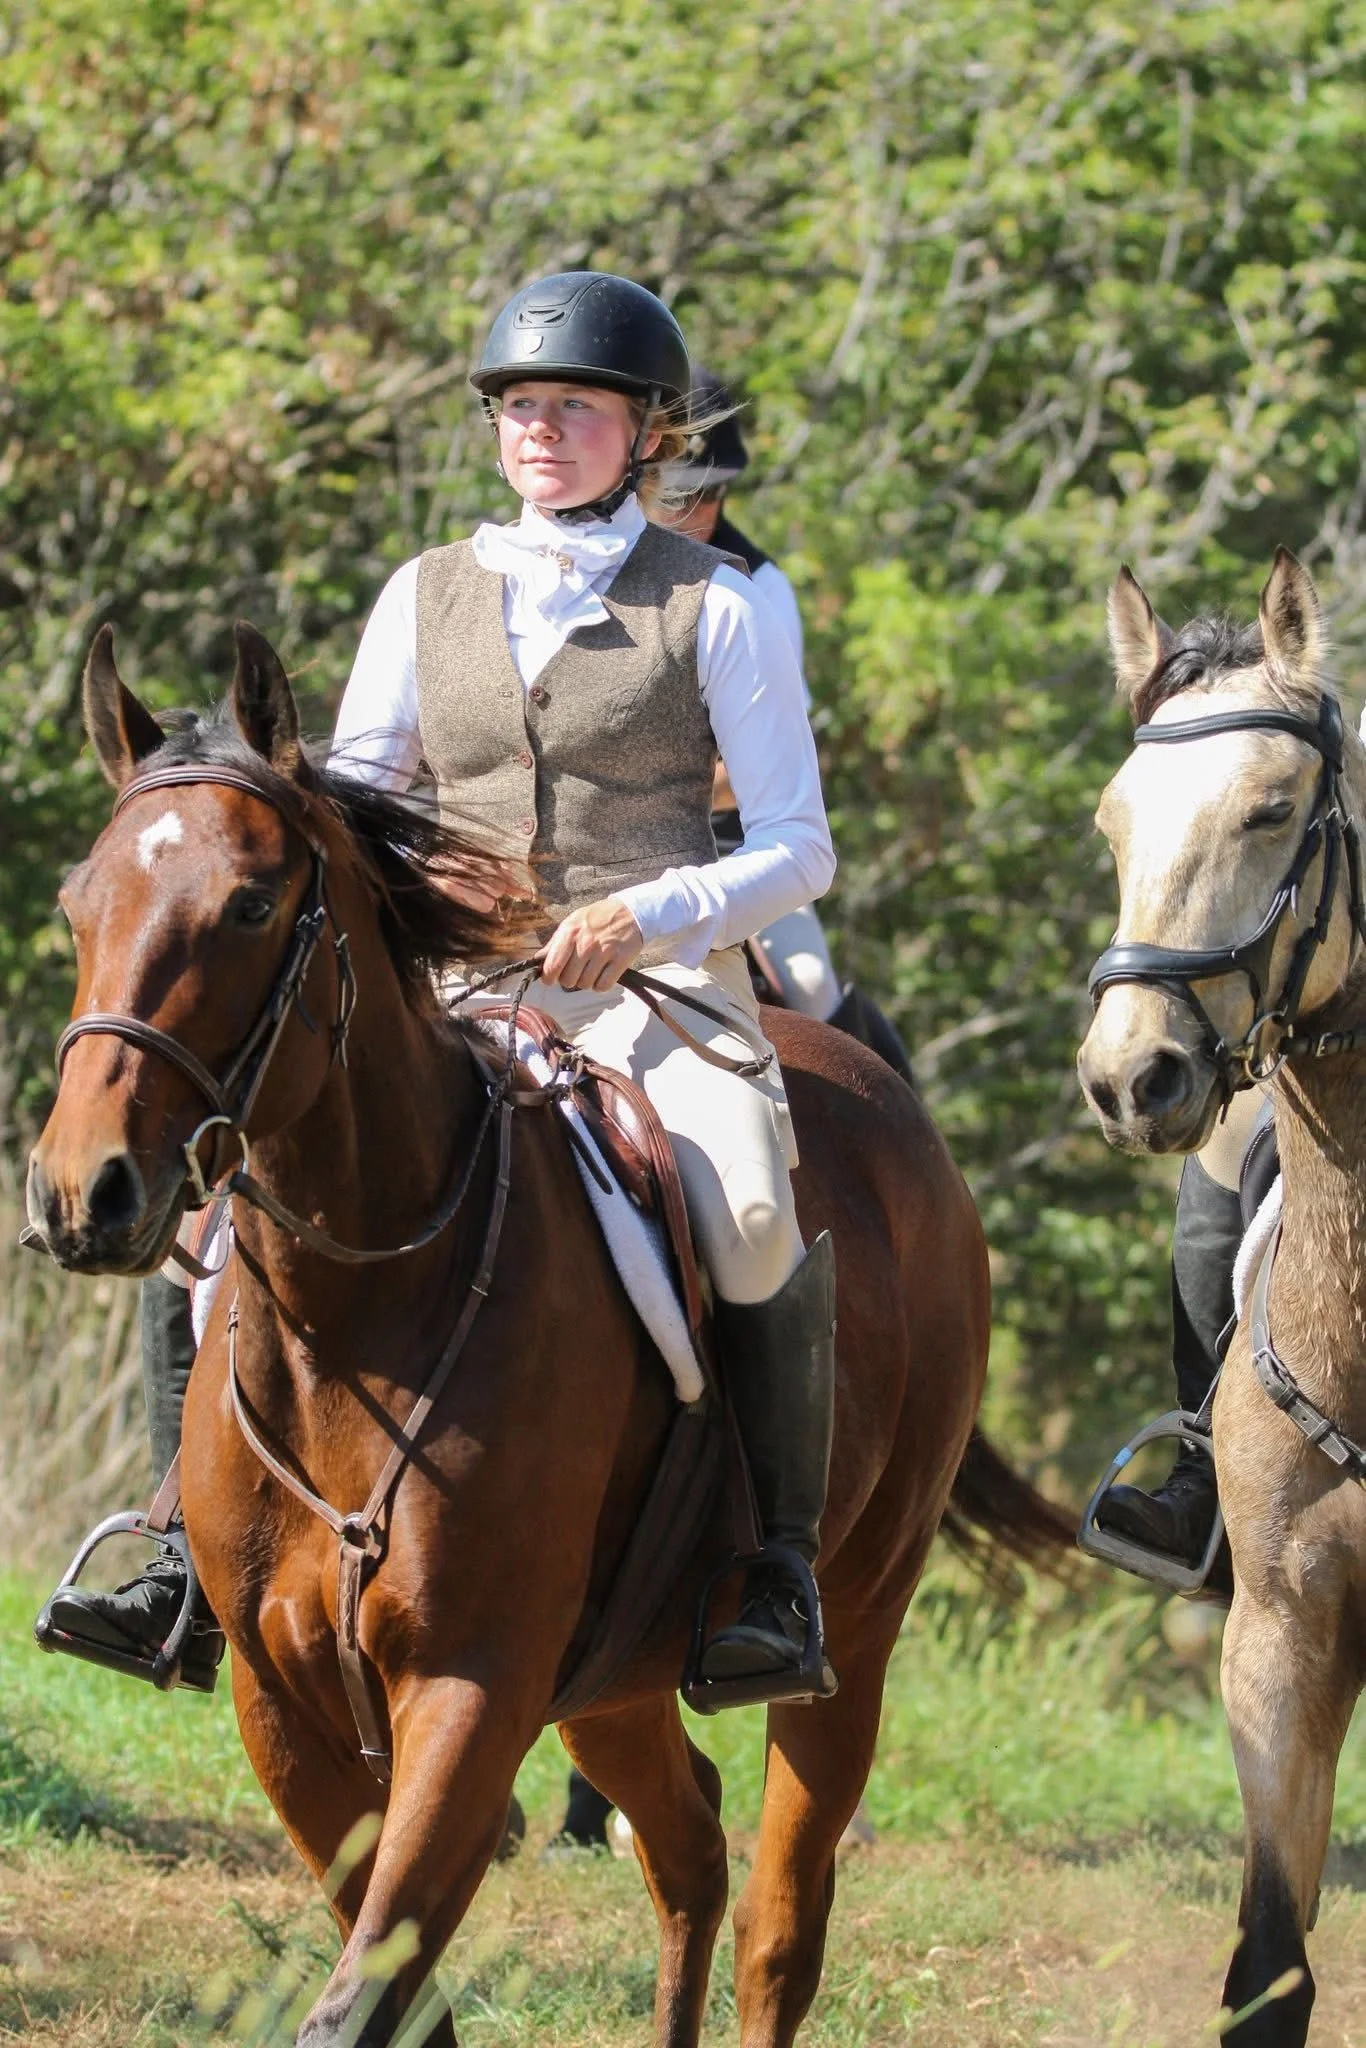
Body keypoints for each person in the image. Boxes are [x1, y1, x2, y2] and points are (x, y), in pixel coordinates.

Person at [46, 272, 841, 1702]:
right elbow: (352, 798)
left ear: (643, 435)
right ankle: (177, 1550)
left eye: (578, 411)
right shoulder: (427, 592)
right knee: (219, 1215)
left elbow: (798, 846)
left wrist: (645, 912)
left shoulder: (720, 608)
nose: (545, 431)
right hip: (459, 989)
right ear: (495, 431)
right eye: (524, 408)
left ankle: (767, 1570)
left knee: (754, 1209)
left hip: (656, 989)